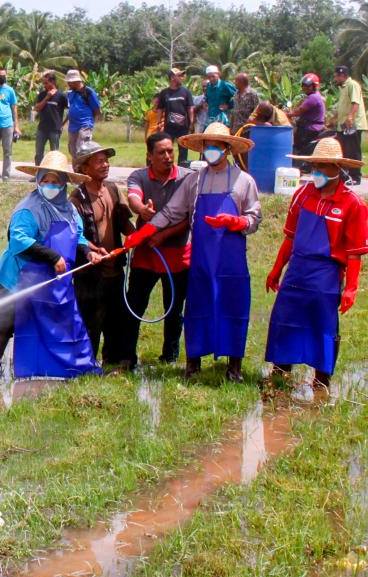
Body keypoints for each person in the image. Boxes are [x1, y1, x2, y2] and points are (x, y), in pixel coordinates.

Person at [125, 122, 261, 382]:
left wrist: (239, 222)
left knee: (232, 307)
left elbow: (255, 216)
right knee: (197, 307)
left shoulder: (244, 181)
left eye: (217, 147)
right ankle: (193, 362)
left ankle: (234, 365)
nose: (211, 151)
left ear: (228, 149)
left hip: (230, 260)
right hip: (201, 258)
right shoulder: (194, 181)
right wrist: (143, 233)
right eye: (207, 147)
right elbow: (171, 212)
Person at [0, 150, 106, 379]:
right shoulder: (29, 208)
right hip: (19, 277)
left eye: (56, 181)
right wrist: (53, 257)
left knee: (54, 323)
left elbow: (77, 237)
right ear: (38, 180)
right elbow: (19, 240)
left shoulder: (69, 210)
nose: (50, 185)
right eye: (45, 179)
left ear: (65, 183)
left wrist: (88, 253)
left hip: (49, 282)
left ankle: (56, 368)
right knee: (8, 321)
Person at [265, 137, 368, 388]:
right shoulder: (302, 194)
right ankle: (279, 374)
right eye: (315, 165)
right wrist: (277, 270)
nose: (317, 171)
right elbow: (289, 238)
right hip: (297, 271)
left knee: (322, 327)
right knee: (284, 320)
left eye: (323, 166)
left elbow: (354, 253)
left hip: (326, 276)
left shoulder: (352, 204)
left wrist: (352, 288)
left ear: (338, 169)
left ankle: (321, 381)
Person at [125, 132, 191, 364]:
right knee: (134, 306)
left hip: (177, 254)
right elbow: (133, 197)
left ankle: (170, 357)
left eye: (170, 151)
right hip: (147, 254)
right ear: (149, 156)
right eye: (161, 152)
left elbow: (189, 217)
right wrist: (142, 209)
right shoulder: (139, 176)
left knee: (174, 310)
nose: (167, 156)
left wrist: (164, 234)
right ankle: (127, 357)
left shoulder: (187, 178)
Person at [69, 141, 136, 368]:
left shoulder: (113, 189)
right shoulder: (76, 199)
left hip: (115, 269)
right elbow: (75, 235)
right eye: (99, 161)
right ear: (84, 168)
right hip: (91, 273)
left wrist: (140, 236)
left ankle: (114, 362)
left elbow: (124, 222)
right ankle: (86, 365)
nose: (105, 164)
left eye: (106, 160)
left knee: (117, 319)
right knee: (91, 321)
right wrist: (91, 251)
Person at [331, 65, 366, 185]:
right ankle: (346, 176)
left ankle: (356, 176)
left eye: (336, 76)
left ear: (342, 75)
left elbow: (355, 102)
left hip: (353, 124)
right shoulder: (343, 88)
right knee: (345, 151)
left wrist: (351, 116)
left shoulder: (352, 85)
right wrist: (334, 118)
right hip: (344, 125)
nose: (335, 79)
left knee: (353, 151)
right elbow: (343, 105)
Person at [286, 73, 326, 170]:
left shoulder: (313, 97)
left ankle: (297, 168)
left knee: (298, 149)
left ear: (314, 86)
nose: (305, 88)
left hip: (309, 129)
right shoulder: (316, 96)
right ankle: (304, 167)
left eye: (308, 86)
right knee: (303, 149)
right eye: (304, 85)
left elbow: (299, 111)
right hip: (314, 128)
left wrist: (287, 115)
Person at [157, 68, 194, 165]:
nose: (182, 77)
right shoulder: (164, 93)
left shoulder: (186, 92)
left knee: (183, 150)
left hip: (183, 128)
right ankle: (167, 167)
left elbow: (190, 108)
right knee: (167, 148)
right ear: (172, 78)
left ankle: (181, 170)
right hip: (169, 128)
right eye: (180, 75)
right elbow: (160, 109)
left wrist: (191, 123)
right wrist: (159, 122)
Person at [64, 69, 101, 160]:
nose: (68, 84)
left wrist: (91, 124)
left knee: (83, 149)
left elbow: (96, 109)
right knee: (72, 150)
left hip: (85, 125)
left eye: (70, 82)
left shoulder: (88, 92)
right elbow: (71, 110)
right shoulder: (71, 94)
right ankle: (76, 170)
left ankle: (84, 169)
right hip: (73, 126)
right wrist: (63, 123)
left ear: (76, 81)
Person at [33, 71, 67, 165]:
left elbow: (70, 111)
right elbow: (37, 108)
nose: (44, 85)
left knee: (54, 153)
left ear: (53, 82)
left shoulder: (61, 96)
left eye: (46, 83)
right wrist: (47, 98)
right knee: (39, 153)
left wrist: (62, 124)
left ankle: (54, 174)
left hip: (55, 129)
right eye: (43, 83)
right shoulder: (42, 94)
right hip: (42, 128)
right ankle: (38, 174)